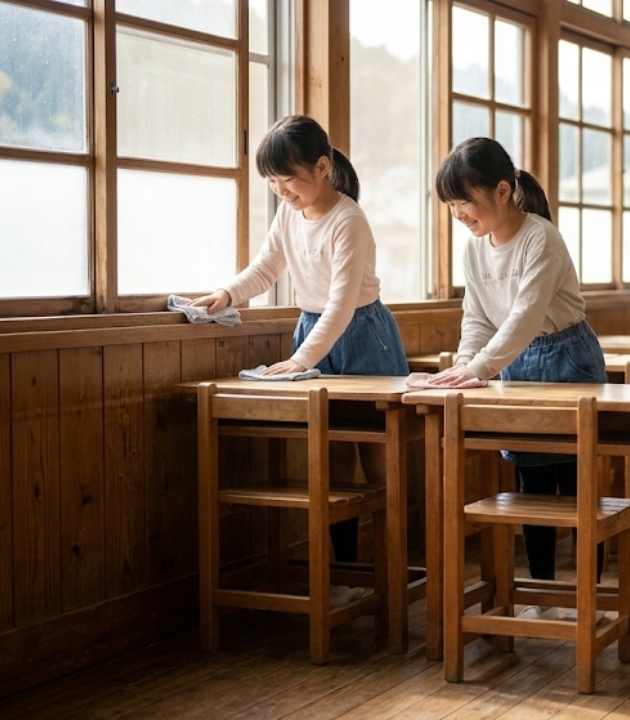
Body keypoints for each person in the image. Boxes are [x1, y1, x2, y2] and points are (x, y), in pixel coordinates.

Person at [190, 115, 410, 605]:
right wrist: (227, 294)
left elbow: (341, 302)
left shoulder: (349, 219)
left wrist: (299, 360)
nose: (280, 190)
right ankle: (349, 574)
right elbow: (267, 267)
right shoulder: (289, 213)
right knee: (332, 463)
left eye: (287, 178)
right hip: (315, 331)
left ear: (322, 167)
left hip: (362, 334)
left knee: (379, 462)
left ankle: (392, 576)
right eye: (272, 181)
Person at [418, 137, 607, 620]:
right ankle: (543, 597)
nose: (458, 213)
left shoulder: (541, 237)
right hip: (514, 363)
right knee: (532, 484)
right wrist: (463, 367)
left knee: (578, 484)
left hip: (567, 360)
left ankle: (591, 597)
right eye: (452, 204)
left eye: (465, 201)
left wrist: (479, 368)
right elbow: (477, 318)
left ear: (502, 191)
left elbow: (526, 315)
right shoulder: (475, 249)